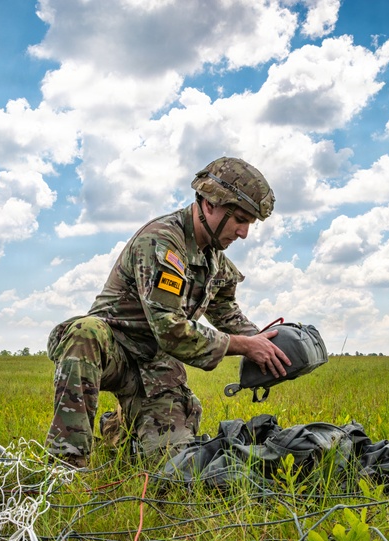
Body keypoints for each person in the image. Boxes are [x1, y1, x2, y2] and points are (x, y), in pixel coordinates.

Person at [44, 157, 291, 467]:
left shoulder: (215, 260)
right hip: (112, 351)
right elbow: (170, 328)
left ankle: (117, 428)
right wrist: (242, 346)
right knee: (85, 332)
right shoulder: (162, 241)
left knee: (172, 466)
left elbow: (226, 311)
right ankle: (66, 467)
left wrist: (265, 343)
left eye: (249, 224)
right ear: (210, 203)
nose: (243, 233)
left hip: (156, 366)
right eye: (240, 219)